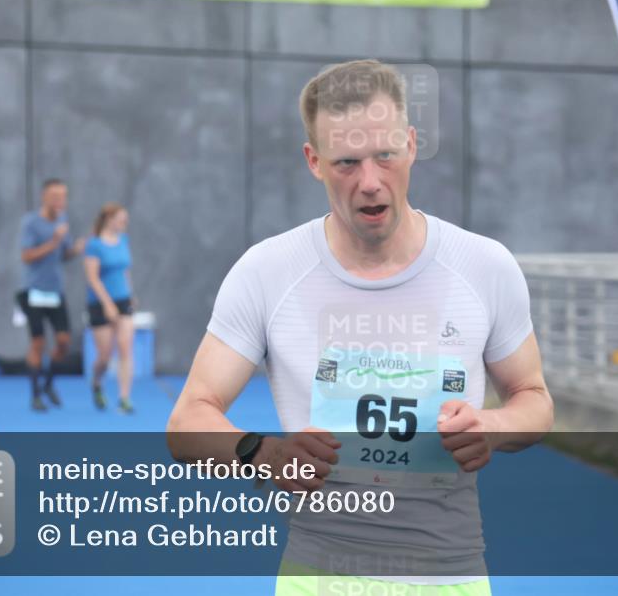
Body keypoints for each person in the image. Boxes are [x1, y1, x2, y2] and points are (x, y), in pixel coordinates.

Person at [166, 59, 553, 594]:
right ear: (314, 161)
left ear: (412, 145)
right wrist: (262, 453)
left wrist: (493, 427)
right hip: (318, 575)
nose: (370, 183)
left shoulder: (484, 266)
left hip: (449, 575)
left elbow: (533, 397)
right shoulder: (267, 271)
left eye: (385, 156)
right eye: (347, 162)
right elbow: (187, 421)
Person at [18, 178, 86, 411]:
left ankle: (48, 384)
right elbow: (26, 256)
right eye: (55, 196)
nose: (60, 201)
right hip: (32, 291)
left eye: (63, 196)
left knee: (64, 341)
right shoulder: (31, 223)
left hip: (55, 291)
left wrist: (74, 250)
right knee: (38, 343)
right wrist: (54, 240)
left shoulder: (63, 221)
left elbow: (62, 255)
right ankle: (35, 394)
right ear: (44, 197)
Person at [84, 202, 135, 413]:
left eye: (126, 219)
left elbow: (124, 270)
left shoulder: (123, 240)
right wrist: (107, 304)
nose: (124, 223)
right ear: (109, 219)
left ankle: (124, 398)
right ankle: (97, 383)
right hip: (100, 304)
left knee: (125, 348)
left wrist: (130, 294)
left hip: (123, 301)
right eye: (121, 218)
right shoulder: (94, 244)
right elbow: (93, 278)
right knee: (105, 356)